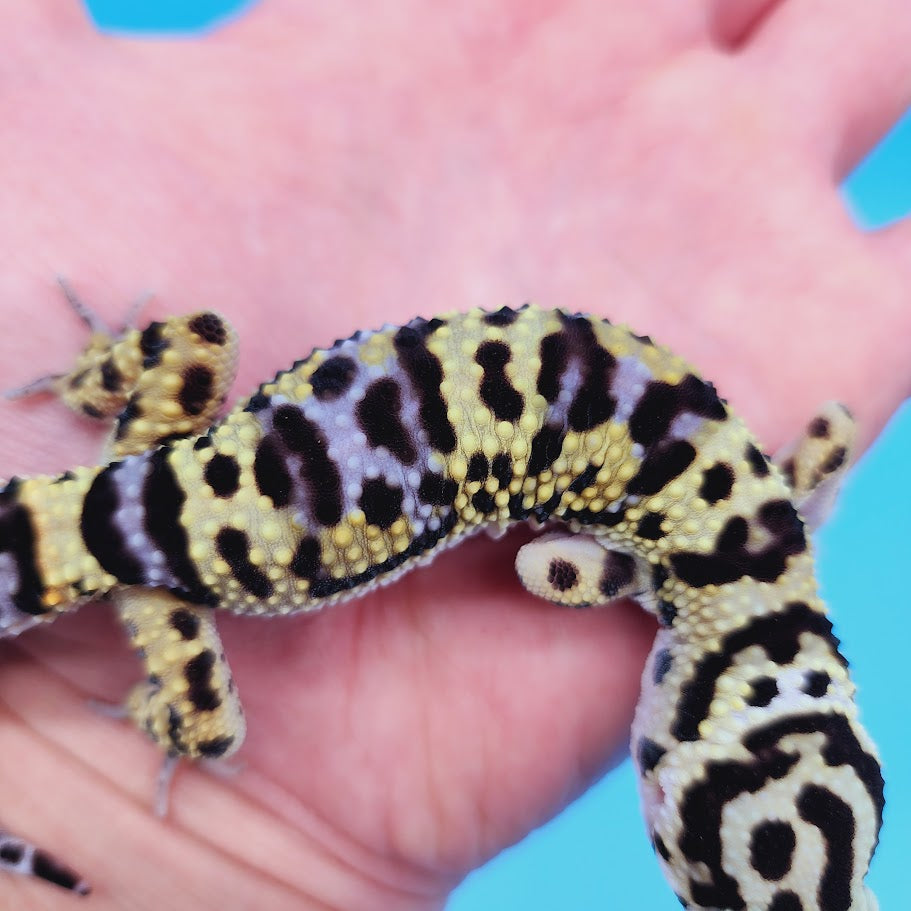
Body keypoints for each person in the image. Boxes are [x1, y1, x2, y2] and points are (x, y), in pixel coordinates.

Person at [0, 2, 908, 907]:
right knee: (208, 727)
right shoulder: (636, 574)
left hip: (281, 462)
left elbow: (816, 434)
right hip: (236, 552)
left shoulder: (761, 516)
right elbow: (547, 565)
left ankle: (92, 384)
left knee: (193, 341)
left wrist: (770, 522)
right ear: (671, 769)